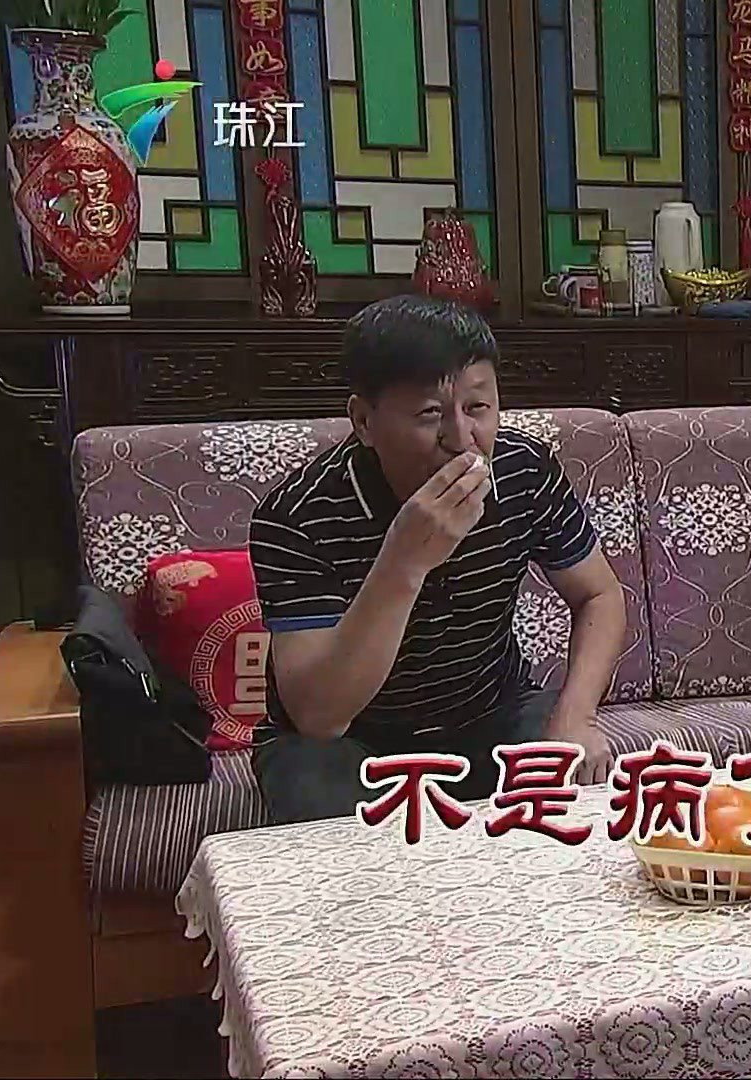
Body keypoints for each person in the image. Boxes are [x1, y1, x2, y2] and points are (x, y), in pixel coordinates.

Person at [249, 294, 628, 825]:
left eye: (478, 408)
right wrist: (404, 561)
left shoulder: (524, 471)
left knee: (580, 795)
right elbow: (319, 716)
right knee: (319, 806)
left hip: (491, 714)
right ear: (363, 421)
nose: (461, 439)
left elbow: (599, 595)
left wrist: (577, 715)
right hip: (349, 740)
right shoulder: (296, 516)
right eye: (430, 414)